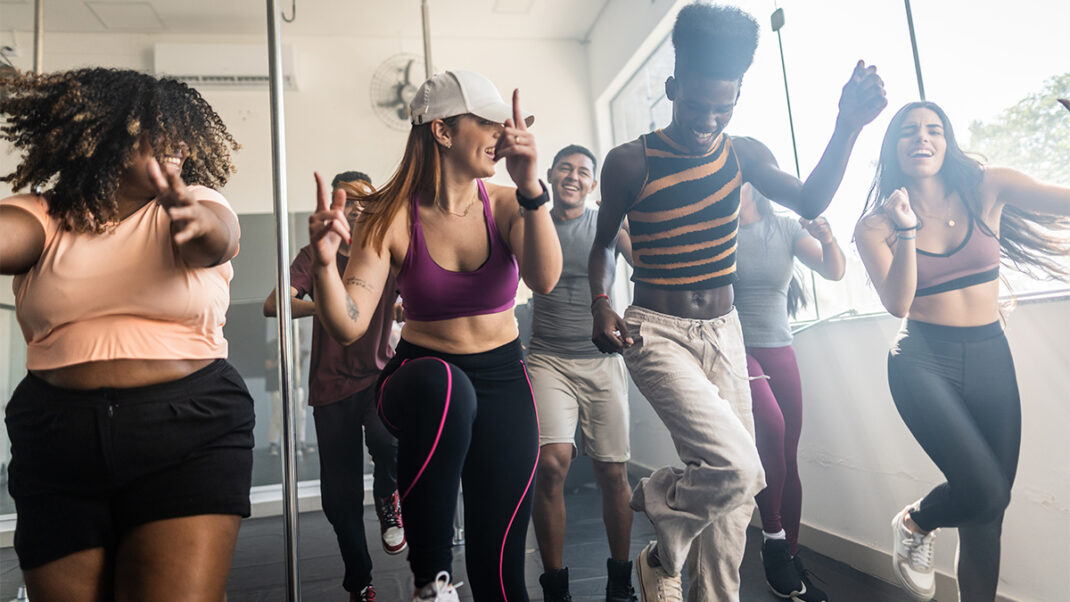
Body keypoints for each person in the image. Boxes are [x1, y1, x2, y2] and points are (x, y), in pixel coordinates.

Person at [587, 4, 886, 601]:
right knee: (740, 469)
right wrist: (600, 301)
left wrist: (848, 125)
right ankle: (655, 510)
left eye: (723, 108)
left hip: (726, 332)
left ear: (738, 97)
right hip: (657, 331)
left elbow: (809, 198)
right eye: (696, 105)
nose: (708, 120)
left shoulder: (742, 152)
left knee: (734, 510)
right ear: (672, 89)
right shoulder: (631, 162)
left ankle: (687, 580)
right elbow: (603, 248)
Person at [307, 70, 562, 601]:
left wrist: (532, 185)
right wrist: (327, 266)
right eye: (487, 122)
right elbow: (349, 321)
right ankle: (433, 582)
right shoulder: (391, 217)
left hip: (502, 380)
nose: (501, 133)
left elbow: (545, 279)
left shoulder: (512, 204)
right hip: (420, 380)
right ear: (442, 131)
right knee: (450, 388)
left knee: (502, 577)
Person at [0, 67, 250, 601]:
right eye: (157, 129)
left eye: (183, 129)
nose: (178, 142)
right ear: (103, 135)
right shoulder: (42, 214)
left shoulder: (200, 203)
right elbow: (6, 239)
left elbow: (216, 239)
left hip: (190, 429)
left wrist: (195, 221)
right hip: (57, 437)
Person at [854, 100, 1070, 602]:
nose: (922, 138)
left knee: (988, 514)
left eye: (934, 129)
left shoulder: (985, 187)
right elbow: (898, 302)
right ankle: (914, 521)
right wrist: (906, 229)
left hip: (990, 355)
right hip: (923, 361)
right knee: (986, 492)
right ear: (894, 147)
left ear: (947, 141)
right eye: (909, 131)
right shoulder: (875, 226)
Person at [263, 171, 404, 602]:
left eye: (366, 198)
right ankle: (359, 580)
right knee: (338, 496)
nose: (358, 206)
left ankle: (387, 499)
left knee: (390, 443)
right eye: (349, 201)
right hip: (331, 384)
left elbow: (412, 297)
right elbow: (274, 304)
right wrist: (327, 306)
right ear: (336, 209)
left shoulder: (386, 249)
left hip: (379, 372)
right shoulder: (314, 253)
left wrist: (402, 308)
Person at [529, 144, 635, 602]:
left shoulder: (607, 224)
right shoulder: (533, 224)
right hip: (547, 358)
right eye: (565, 168)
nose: (573, 176)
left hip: (602, 359)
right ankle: (555, 588)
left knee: (613, 473)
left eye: (583, 172)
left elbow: (650, 268)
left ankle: (619, 582)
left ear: (594, 183)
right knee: (551, 465)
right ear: (551, 175)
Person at [734, 183, 845, 601]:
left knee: (787, 456)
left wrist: (828, 238)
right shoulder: (716, 231)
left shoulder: (782, 227)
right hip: (735, 350)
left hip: (780, 348)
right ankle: (774, 539)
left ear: (755, 184)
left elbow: (833, 270)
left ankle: (788, 558)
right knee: (772, 428)